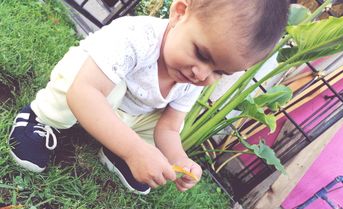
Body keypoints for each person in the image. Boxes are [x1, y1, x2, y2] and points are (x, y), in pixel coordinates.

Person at [8, 0, 289, 195]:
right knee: (85, 81)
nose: (202, 74)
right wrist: (135, 150)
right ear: (179, 13)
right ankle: (41, 118)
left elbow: (168, 128)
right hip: (88, 88)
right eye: (202, 54)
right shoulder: (136, 38)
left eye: (220, 72)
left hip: (123, 113)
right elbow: (84, 93)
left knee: (155, 120)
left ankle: (116, 152)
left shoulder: (194, 77)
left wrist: (180, 159)